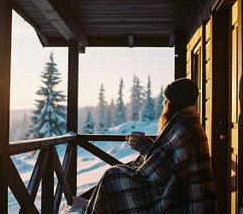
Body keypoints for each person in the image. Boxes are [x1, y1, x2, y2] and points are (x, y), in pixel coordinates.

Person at [86, 78, 216, 213]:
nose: (164, 103)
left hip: (174, 196)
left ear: (175, 103)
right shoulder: (187, 122)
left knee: (112, 177)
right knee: (115, 174)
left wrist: (142, 146)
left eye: (167, 99)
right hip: (179, 190)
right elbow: (169, 158)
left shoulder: (184, 128)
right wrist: (149, 145)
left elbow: (161, 171)